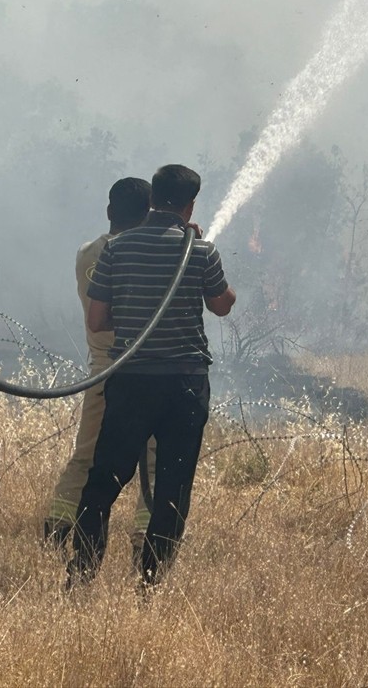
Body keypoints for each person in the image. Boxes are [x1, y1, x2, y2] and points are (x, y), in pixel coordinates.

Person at [68, 164, 236, 591]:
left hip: (131, 383)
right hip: (184, 386)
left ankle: (81, 574)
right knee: (172, 488)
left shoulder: (116, 250)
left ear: (153, 200)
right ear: (189, 205)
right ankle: (149, 582)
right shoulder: (200, 251)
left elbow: (97, 319)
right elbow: (222, 305)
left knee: (104, 479)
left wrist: (134, 313)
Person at [44, 177, 156, 554]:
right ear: (149, 214)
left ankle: (58, 525)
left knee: (87, 453)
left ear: (110, 212)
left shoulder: (86, 253)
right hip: (143, 371)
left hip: (101, 371)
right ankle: (146, 538)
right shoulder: (139, 254)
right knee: (152, 459)